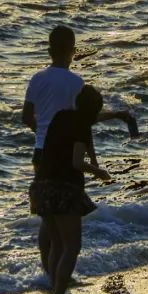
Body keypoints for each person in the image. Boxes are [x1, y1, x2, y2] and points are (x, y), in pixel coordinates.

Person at [22, 26, 137, 278]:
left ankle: (49, 273)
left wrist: (45, 135)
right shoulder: (76, 83)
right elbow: (84, 120)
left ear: (49, 50)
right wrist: (117, 115)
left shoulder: (37, 78)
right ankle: (59, 279)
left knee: (47, 214)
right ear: (73, 51)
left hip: (41, 152)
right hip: (67, 154)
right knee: (64, 216)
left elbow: (26, 117)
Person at [29, 85, 112, 294]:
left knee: (56, 244)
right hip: (63, 189)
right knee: (71, 246)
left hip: (41, 185)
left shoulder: (60, 116)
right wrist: (98, 172)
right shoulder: (82, 127)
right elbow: (76, 162)